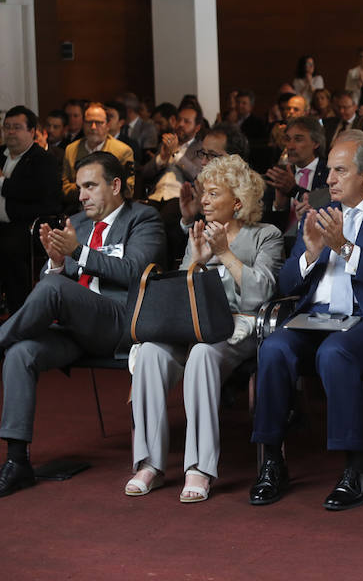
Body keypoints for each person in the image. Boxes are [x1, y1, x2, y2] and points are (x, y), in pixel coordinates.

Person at [249, 130, 363, 508]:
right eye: (329, 170)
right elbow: (286, 283)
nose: (329, 179)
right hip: (315, 316)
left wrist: (344, 246)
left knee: (334, 354)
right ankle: (272, 462)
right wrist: (309, 255)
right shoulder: (318, 212)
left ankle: (356, 468)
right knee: (274, 348)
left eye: (340, 171)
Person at [0, 152, 165, 498]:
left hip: (122, 324)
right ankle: (17, 461)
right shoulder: (78, 223)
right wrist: (57, 262)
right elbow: (58, 282)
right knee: (20, 351)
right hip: (76, 331)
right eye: (79, 188)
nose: (82, 196)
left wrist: (77, 253)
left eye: (90, 186)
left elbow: (135, 272)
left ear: (116, 185)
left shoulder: (144, 219)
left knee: (52, 287)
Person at [126, 155, 283, 503]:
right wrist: (195, 259)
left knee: (201, 355)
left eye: (213, 194)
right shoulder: (198, 231)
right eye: (204, 194)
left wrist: (224, 253)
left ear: (238, 202)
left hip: (236, 327)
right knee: (151, 353)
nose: (205, 201)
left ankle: (198, 467)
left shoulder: (265, 235)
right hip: (192, 324)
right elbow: (180, 296)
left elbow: (263, 293)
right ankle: (149, 463)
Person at [0, 106, 61, 313]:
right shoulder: (1, 155)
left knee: (9, 248)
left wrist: (3, 184)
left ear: (32, 131)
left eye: (16, 127)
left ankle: (20, 310)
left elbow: (40, 194)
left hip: (29, 224)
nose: (10, 132)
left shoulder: (43, 160)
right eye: (7, 127)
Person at [262, 116, 329, 236]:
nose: (290, 146)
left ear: (316, 143)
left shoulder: (329, 173)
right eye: (287, 139)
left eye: (298, 140)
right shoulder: (279, 175)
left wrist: (294, 191)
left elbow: (324, 208)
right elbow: (267, 228)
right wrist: (279, 207)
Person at [61, 102, 134, 211]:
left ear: (107, 125)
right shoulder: (71, 150)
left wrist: (83, 187)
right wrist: (98, 186)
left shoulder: (122, 151)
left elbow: (128, 190)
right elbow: (64, 189)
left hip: (110, 210)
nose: (93, 127)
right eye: (89, 122)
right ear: (83, 123)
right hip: (78, 209)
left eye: (99, 123)